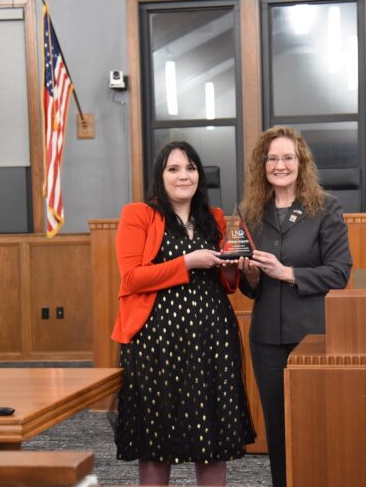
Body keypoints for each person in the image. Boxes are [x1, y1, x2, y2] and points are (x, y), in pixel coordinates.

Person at [111, 141, 255, 486]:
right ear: (160, 176)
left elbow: (225, 283)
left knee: (213, 436)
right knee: (156, 438)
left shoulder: (214, 217)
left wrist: (235, 267)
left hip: (211, 340)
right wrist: (187, 262)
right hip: (156, 344)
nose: (183, 176)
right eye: (173, 169)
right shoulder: (138, 214)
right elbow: (131, 278)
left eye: (190, 168)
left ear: (199, 175)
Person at [237, 126, 353, 487]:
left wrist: (286, 272)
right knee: (277, 428)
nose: (280, 165)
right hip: (266, 339)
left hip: (312, 336)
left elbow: (340, 272)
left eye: (288, 157)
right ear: (262, 165)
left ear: (301, 162)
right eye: (272, 158)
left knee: (316, 424)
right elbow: (248, 289)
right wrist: (250, 277)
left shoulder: (326, 207)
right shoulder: (250, 212)